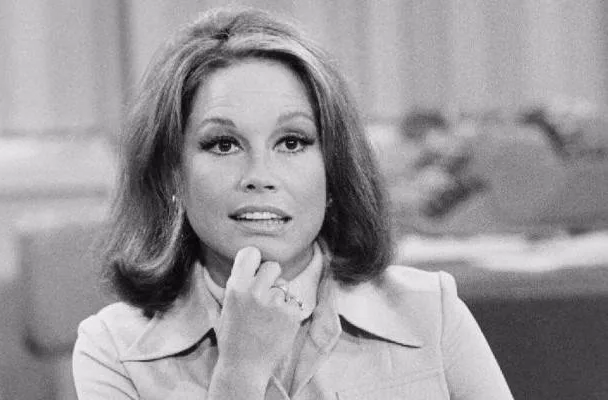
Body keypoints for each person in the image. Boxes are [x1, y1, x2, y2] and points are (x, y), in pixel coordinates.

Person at [72, 7, 513, 400]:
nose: (260, 175)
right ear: (173, 175)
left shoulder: (432, 314)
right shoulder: (113, 351)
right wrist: (240, 373)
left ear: (333, 169)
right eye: (223, 144)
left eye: (291, 142)